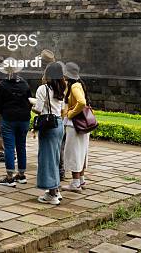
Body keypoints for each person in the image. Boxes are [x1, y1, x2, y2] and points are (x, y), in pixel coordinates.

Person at [32, 61, 65, 205]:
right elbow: (61, 108)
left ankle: (51, 193)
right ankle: (56, 189)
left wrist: (30, 104)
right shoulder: (61, 88)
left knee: (47, 158)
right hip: (59, 124)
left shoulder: (43, 89)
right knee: (55, 157)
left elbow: (38, 109)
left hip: (48, 126)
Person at [0, 67, 32, 186]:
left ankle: (9, 177)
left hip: (9, 118)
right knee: (21, 146)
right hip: (24, 119)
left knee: (9, 147)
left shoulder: (3, 85)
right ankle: (21, 175)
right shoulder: (24, 84)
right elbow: (29, 101)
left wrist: (5, 112)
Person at [62, 62, 89, 192]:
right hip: (82, 124)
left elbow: (82, 102)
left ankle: (75, 183)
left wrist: (70, 114)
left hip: (75, 125)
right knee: (81, 152)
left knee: (73, 152)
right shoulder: (78, 84)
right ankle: (81, 180)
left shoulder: (74, 86)